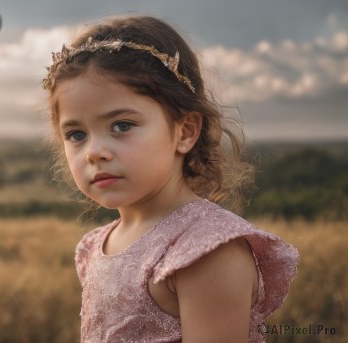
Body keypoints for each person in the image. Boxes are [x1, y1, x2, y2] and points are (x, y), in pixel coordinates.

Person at [42, 15, 299, 343]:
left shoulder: (204, 251)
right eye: (76, 134)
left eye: (122, 125)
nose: (94, 151)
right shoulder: (96, 246)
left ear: (185, 131)